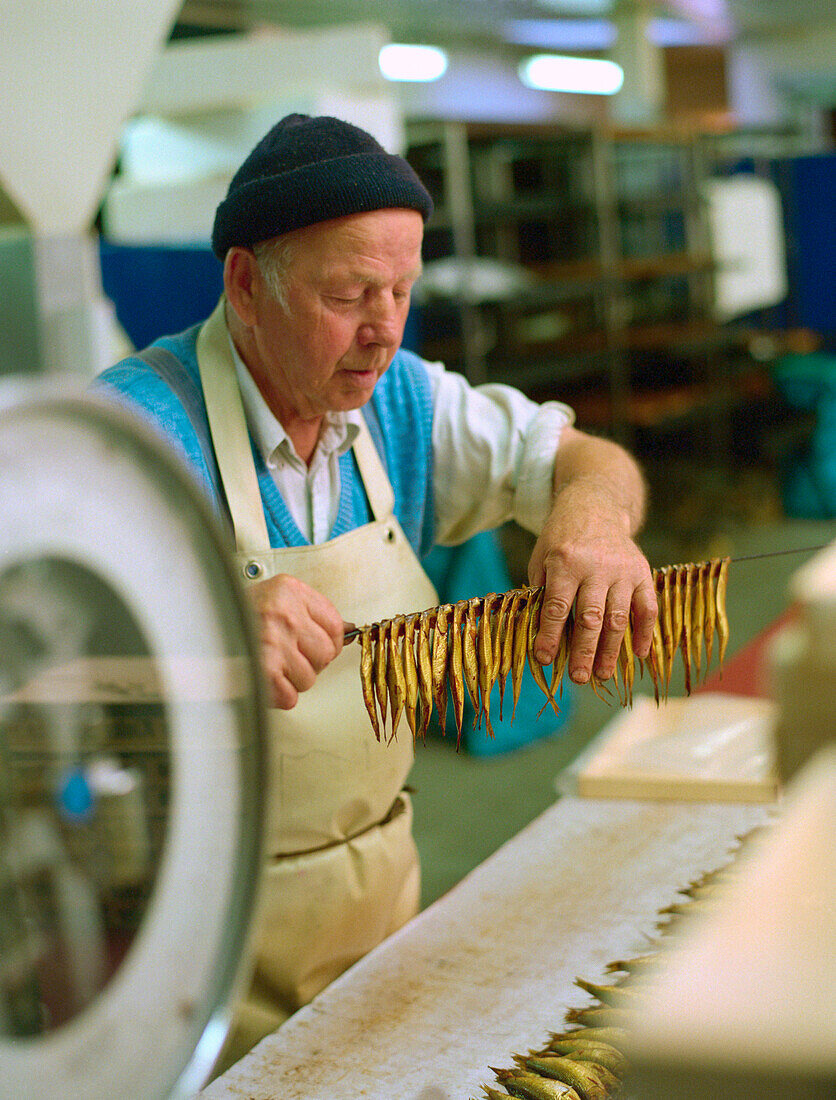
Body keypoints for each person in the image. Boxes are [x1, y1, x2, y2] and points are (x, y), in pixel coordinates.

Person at [93, 113, 657, 1067]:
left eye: (402, 289)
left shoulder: (399, 403)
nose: (384, 330)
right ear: (244, 285)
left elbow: (586, 460)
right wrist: (195, 633)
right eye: (349, 293)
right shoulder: (134, 440)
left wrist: (594, 516)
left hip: (378, 907)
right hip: (186, 955)